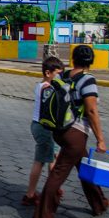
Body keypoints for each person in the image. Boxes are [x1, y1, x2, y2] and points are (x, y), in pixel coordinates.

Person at [34, 45, 109, 218]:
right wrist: (101, 139)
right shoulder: (87, 80)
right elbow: (91, 110)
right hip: (75, 133)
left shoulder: (62, 76)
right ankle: (43, 216)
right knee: (58, 174)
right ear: (90, 61)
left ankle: (99, 203)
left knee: (85, 166)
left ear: (73, 59)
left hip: (60, 130)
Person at [22, 56, 64, 207]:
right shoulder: (47, 88)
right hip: (44, 127)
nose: (59, 78)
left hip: (42, 126)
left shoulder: (41, 86)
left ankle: (55, 188)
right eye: (57, 74)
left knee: (53, 157)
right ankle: (30, 194)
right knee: (40, 160)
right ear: (48, 73)